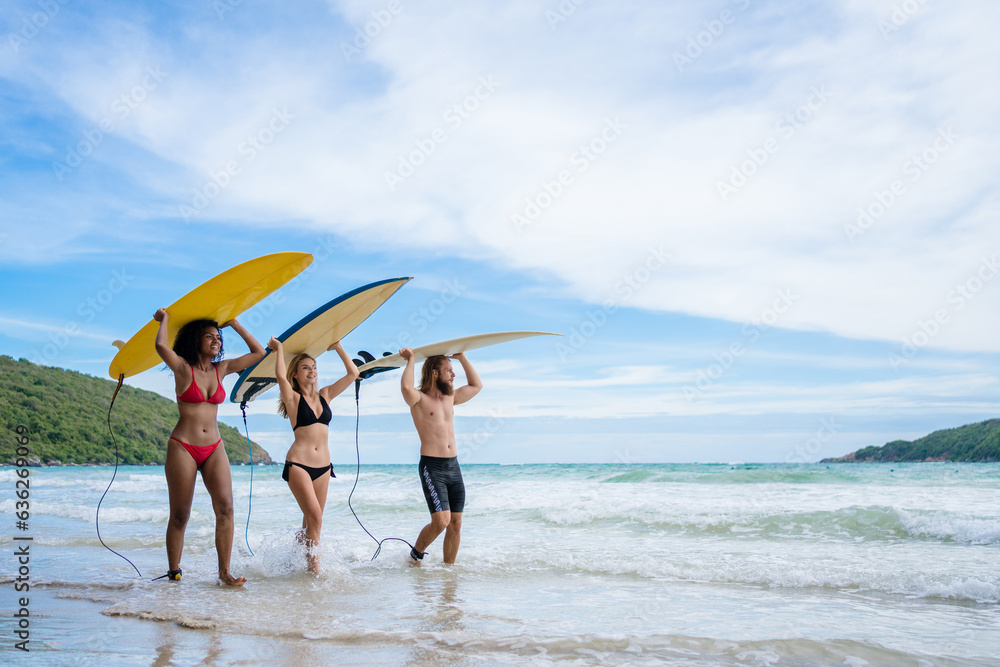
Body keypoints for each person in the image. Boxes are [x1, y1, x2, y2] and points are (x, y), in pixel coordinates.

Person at [153, 309, 265, 586]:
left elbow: (258, 353)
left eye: (218, 337)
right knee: (180, 514)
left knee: (226, 508)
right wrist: (164, 319)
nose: (216, 340)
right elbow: (160, 346)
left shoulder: (222, 369)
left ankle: (224, 573)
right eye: (209, 336)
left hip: (214, 446)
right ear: (196, 340)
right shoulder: (182, 367)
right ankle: (174, 571)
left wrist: (235, 324)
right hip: (183, 446)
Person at [269, 338, 359, 574]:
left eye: (314, 367)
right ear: (296, 375)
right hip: (299, 464)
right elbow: (280, 376)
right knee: (316, 518)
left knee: (311, 520)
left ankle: (294, 561)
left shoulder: (326, 394)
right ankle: (314, 572)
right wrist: (279, 350)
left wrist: (339, 347)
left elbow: (353, 373)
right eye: (306, 368)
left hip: (324, 467)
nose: (312, 371)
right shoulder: (293, 399)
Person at [400, 349, 482, 565]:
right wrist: (410, 360)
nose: (453, 375)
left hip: (454, 466)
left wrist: (462, 358)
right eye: (449, 371)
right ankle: (415, 555)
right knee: (441, 521)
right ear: (435, 373)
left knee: (455, 522)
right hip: (432, 467)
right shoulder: (419, 399)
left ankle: (449, 573)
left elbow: (476, 386)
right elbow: (407, 388)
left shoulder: (450, 397)